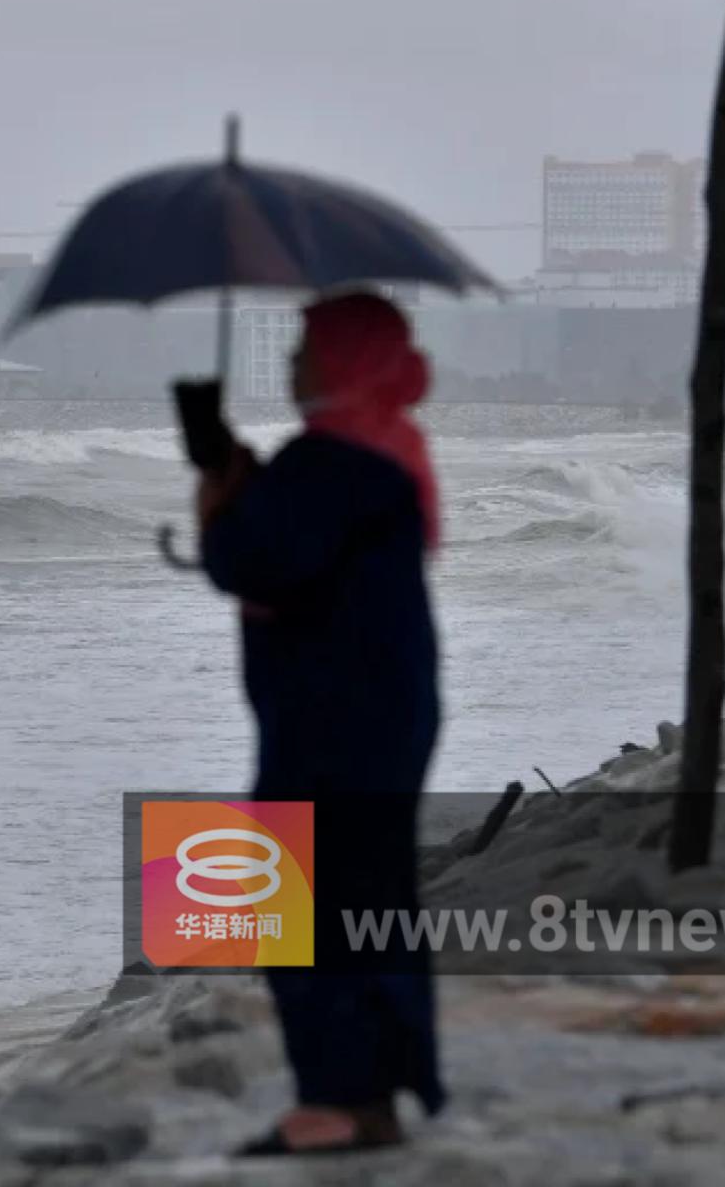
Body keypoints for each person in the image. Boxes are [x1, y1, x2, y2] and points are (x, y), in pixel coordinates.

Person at [192, 289, 446, 1155]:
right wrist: (243, 476)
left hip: (333, 716)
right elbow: (305, 554)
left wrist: (219, 489)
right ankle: (379, 1087)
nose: (293, 363)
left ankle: (340, 1100)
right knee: (368, 895)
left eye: (307, 348)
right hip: (378, 708)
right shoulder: (383, 450)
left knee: (297, 900)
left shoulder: (335, 462)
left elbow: (251, 560)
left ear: (344, 361)